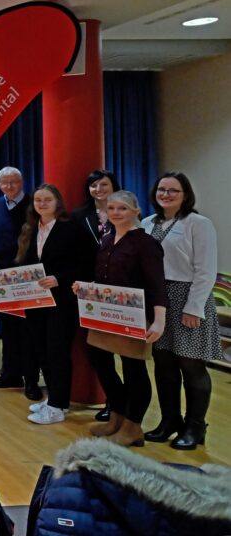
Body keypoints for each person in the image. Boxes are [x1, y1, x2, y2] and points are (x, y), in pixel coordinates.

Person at [77, 190, 167, 447]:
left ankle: (132, 427)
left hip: (135, 317)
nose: (116, 213)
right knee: (99, 360)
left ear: (136, 212)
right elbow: (104, 277)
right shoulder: (107, 238)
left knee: (133, 369)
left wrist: (159, 320)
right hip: (106, 315)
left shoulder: (145, 243)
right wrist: (86, 287)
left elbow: (156, 284)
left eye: (123, 209)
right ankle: (116, 416)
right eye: (112, 208)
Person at [142, 172, 219, 450]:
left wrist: (194, 308)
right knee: (163, 366)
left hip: (188, 298)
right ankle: (169, 421)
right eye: (161, 189)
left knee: (191, 365)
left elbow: (206, 270)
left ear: (185, 195)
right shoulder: (147, 223)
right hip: (158, 301)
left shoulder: (198, 223)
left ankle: (195, 427)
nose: (166, 194)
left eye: (173, 190)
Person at [16, 185, 92, 425]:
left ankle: (59, 405)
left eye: (47, 199)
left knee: (58, 351)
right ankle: (53, 399)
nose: (42, 204)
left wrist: (60, 279)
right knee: (42, 350)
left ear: (58, 202)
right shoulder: (30, 228)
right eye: (38, 200)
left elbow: (88, 263)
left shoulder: (72, 228)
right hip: (36, 301)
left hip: (63, 302)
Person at [0, 167, 36, 397]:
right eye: (5, 183)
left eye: (14, 182)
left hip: (29, 276)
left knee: (29, 328)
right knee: (8, 326)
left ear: (21, 182)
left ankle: (32, 379)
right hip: (3, 275)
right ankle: (10, 374)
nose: (9, 187)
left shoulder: (35, 204)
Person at [71, 170, 120, 247]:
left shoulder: (126, 211)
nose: (98, 189)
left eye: (104, 184)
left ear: (113, 186)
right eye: (93, 186)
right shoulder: (78, 215)